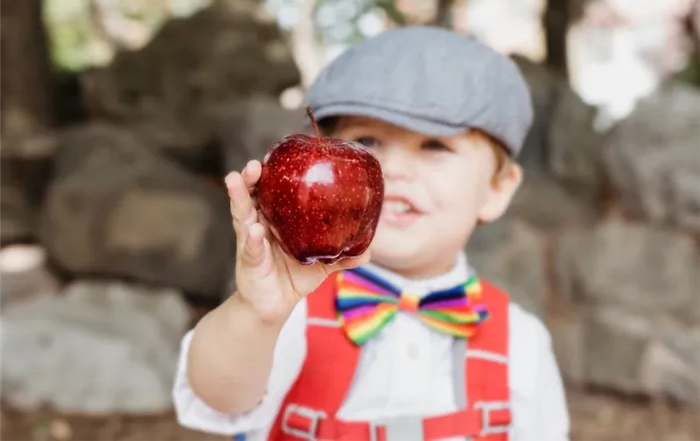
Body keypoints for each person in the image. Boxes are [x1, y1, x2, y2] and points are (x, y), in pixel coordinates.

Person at [173, 26, 570, 441]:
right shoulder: (291, 312)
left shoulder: (522, 342)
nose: (393, 169)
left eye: (434, 146)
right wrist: (255, 313)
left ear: (497, 189)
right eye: (367, 141)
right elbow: (219, 395)